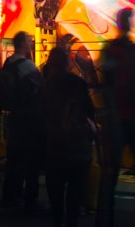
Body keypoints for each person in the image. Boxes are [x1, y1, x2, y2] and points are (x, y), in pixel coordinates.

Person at [96, 7, 135, 227]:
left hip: (114, 118)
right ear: (131, 24)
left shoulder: (109, 50)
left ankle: (104, 219)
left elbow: (102, 82)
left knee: (109, 174)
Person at [42, 46, 96, 227]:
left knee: (56, 191)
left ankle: (58, 219)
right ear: (68, 63)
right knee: (75, 191)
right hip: (77, 145)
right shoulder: (77, 84)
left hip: (55, 145)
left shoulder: (45, 86)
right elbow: (90, 110)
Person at [0, 30, 45, 213]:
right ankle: (30, 199)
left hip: (13, 117)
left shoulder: (8, 63)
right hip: (29, 119)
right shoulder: (27, 66)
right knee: (31, 161)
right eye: (29, 41)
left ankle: (10, 196)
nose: (31, 43)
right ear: (23, 44)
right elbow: (41, 90)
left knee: (13, 160)